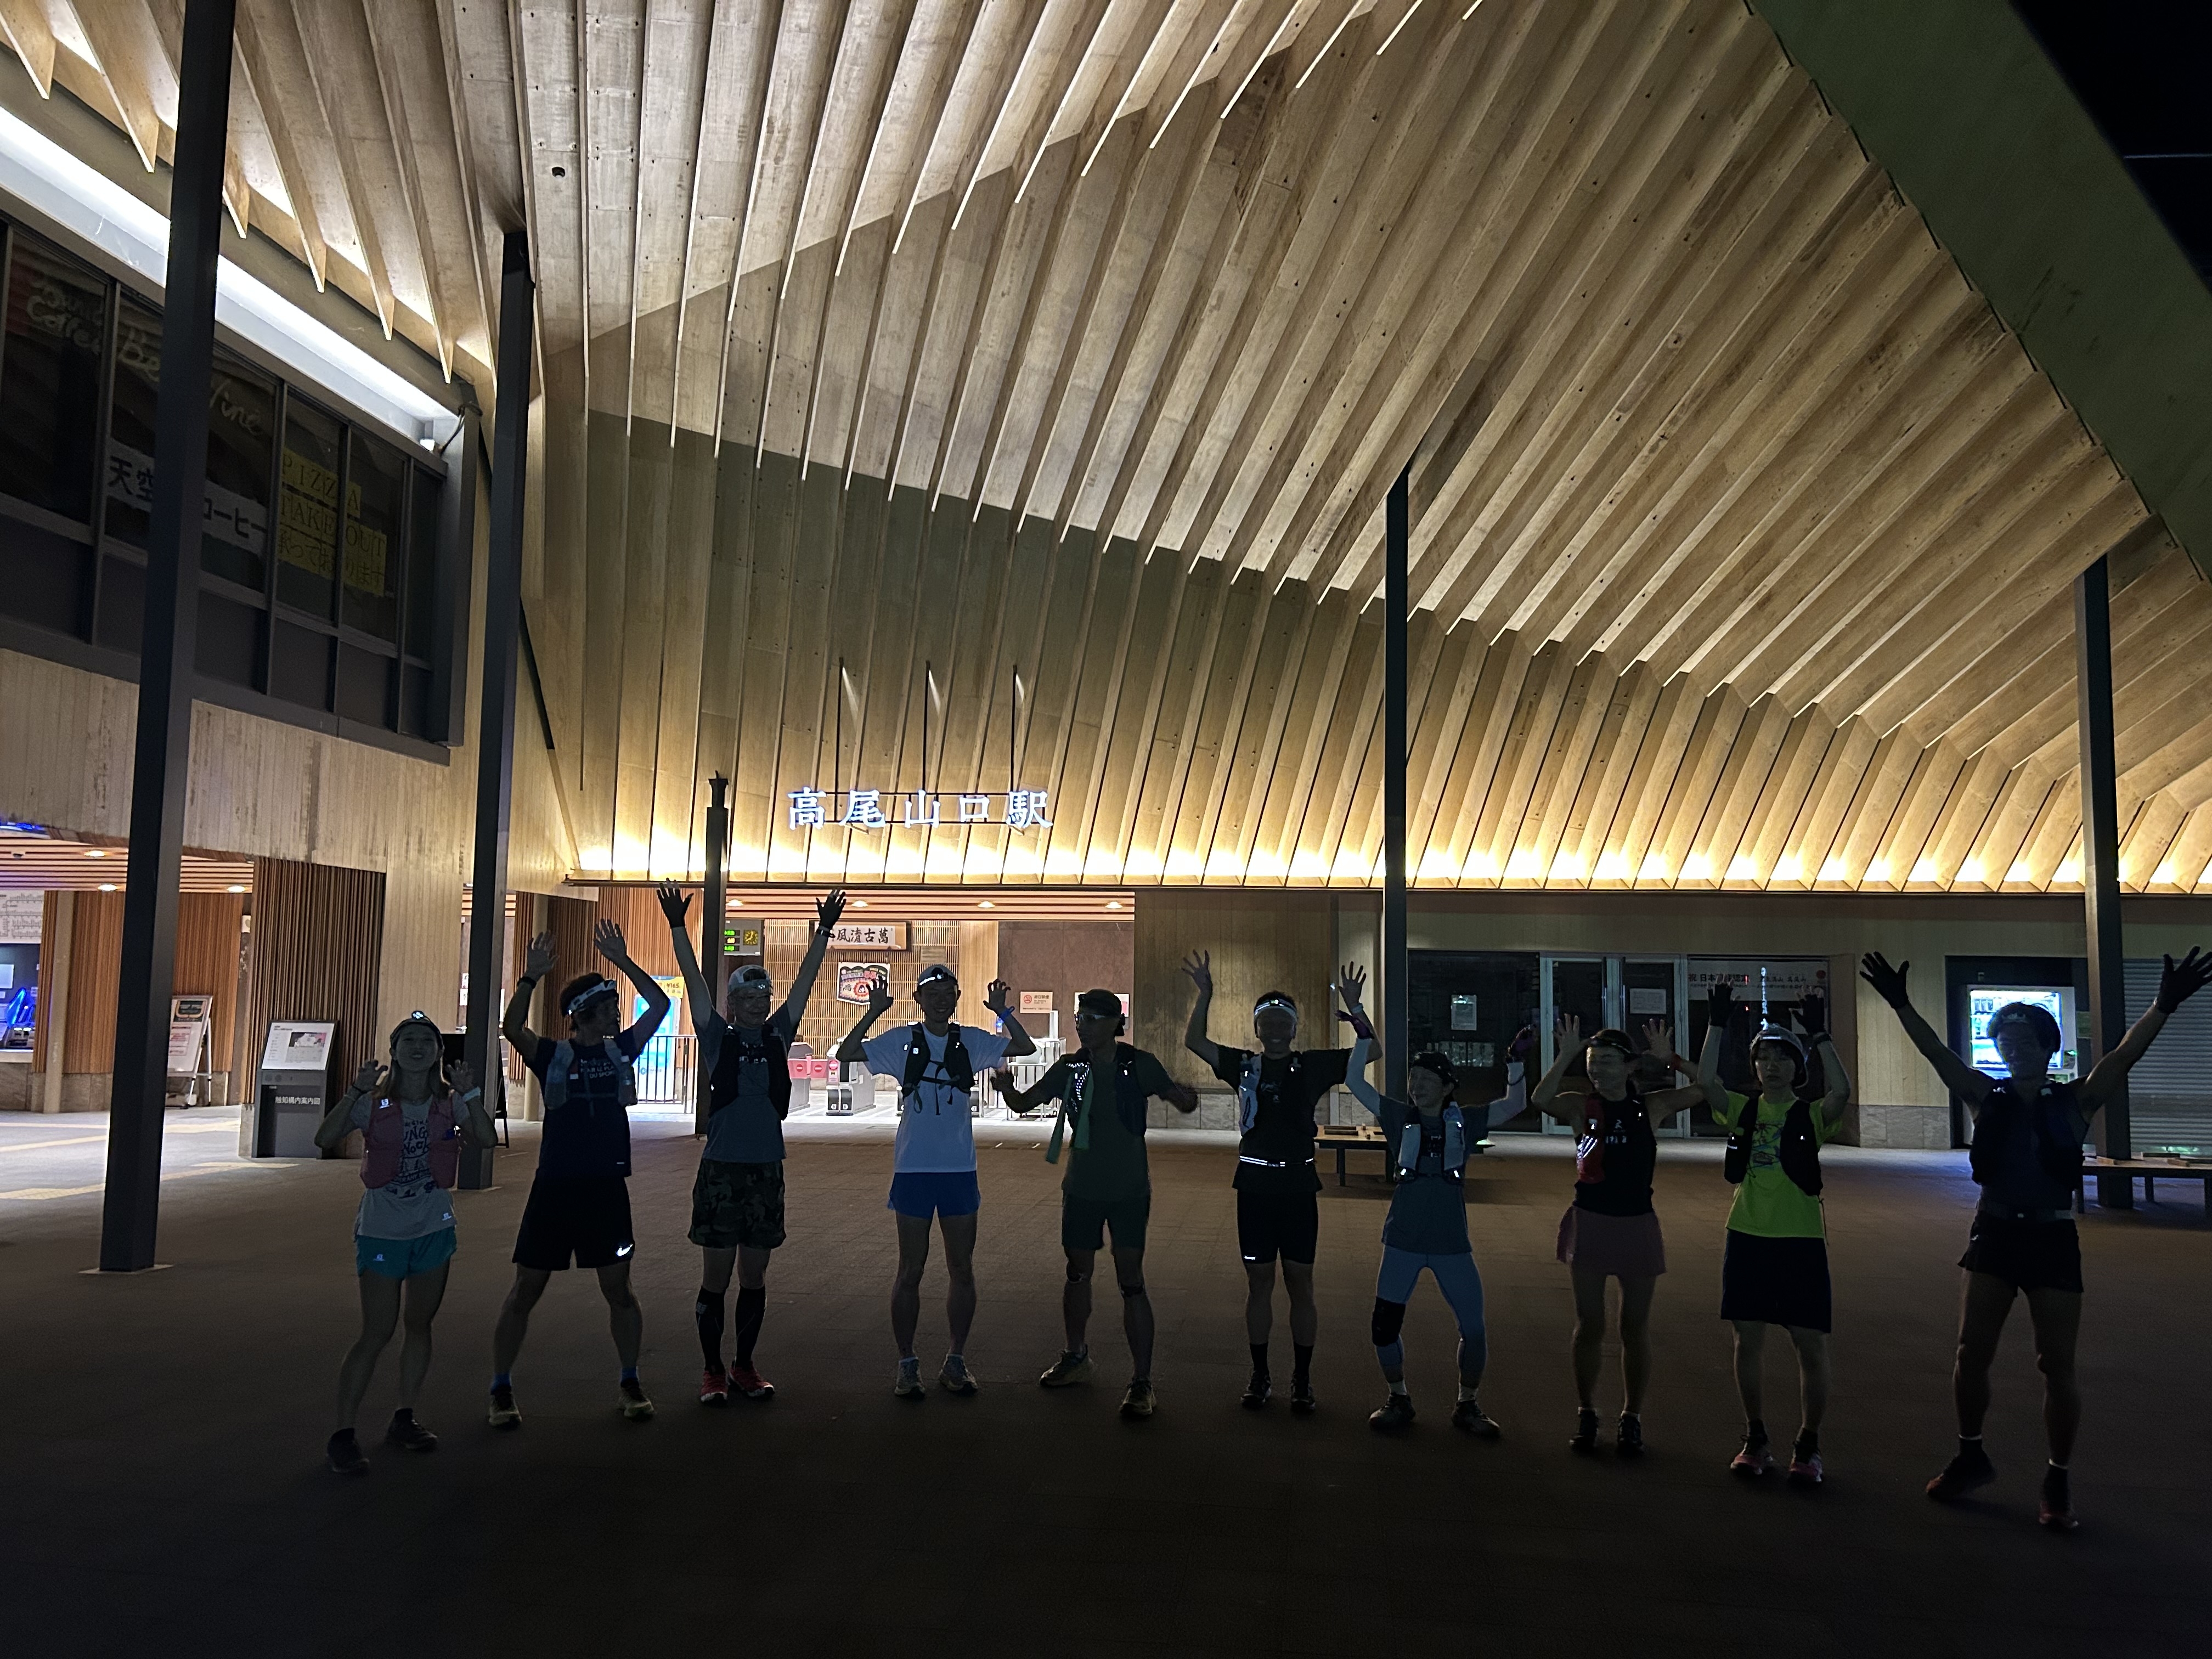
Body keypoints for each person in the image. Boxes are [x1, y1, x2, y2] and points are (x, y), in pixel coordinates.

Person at [1861, 947, 2211, 1530]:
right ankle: (1971, 1454)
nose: (2015, 1049)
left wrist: (2162, 1006)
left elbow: (2124, 1056)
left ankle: (2058, 1476)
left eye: (2026, 1041)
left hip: (2051, 1238)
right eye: (2006, 1042)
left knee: (2057, 1364)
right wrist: (1901, 1006)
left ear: (2049, 1047)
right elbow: (1936, 1053)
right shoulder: (1984, 1096)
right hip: (1995, 1232)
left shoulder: (2077, 1099)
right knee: (1971, 1352)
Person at [658, 881, 843, 1407]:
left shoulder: (778, 1034)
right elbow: (695, 983)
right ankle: (712, 1370)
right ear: (732, 1003)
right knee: (716, 1276)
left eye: (763, 998)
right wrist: (678, 927)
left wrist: (823, 931)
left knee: (755, 1274)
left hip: (766, 1170)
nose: (757, 1006)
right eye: (747, 998)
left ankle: (744, 1364)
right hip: (721, 1169)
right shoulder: (718, 1036)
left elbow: (804, 984)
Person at [490, 920, 671, 1427]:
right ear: (584, 1013)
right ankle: (500, 1387)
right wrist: (530, 977)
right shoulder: (554, 1054)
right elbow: (512, 1028)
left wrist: (624, 961)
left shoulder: (620, 1050)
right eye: (610, 1007)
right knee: (526, 1290)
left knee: (620, 1290)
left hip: (606, 1188)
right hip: (555, 1187)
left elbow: (660, 1006)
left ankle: (630, 1380)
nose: (618, 1013)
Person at [1531, 994, 1724, 1455]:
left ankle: (1632, 1416)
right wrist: (1566, 1055)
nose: (1599, 1070)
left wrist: (1673, 1060)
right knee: (1589, 1324)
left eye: (1608, 1061)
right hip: (1591, 1220)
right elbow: (1539, 1099)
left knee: (1634, 1327)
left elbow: (1708, 1088)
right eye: (1593, 1062)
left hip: (1636, 1223)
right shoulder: (1580, 1106)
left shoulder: (1650, 1107)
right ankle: (1587, 1411)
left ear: (1630, 1066)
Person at [1340, 979, 1533, 1436]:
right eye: (1414, 1079)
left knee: (1475, 1328)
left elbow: (1515, 1105)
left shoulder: (1465, 1120)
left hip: (1450, 1242)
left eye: (1428, 1080)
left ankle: (1468, 1403)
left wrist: (1516, 1061)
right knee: (1384, 1326)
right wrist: (1361, 1027)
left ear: (1448, 1087)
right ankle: (1398, 1397)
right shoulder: (1396, 1116)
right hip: (1403, 1238)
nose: (1417, 1086)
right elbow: (1354, 1082)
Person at [993, 989, 1198, 1418]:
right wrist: (1008, 1088)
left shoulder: (1138, 1064)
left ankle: (1142, 1380)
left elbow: (1181, 1100)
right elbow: (1024, 1104)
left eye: (1091, 1019)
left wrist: (1184, 1095)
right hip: (1082, 1187)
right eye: (1079, 1018)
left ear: (1114, 1024)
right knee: (1077, 1272)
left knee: (1132, 1280)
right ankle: (1076, 1355)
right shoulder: (1072, 1068)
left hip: (1128, 1191)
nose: (1081, 1026)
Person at [1182, 950, 1371, 1414]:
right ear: (1256, 1028)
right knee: (1259, 1283)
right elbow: (1195, 1042)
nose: (1274, 1027)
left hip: (1299, 1187)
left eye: (1282, 1020)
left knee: (1301, 1283)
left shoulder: (1312, 1065)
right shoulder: (1245, 1066)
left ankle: (1302, 1378)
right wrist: (1205, 995)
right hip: (1254, 1188)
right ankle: (1260, 1373)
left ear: (1294, 1028)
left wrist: (1356, 1009)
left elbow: (1373, 1052)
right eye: (1265, 1020)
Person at [836, 963, 1035, 1397]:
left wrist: (1002, 1012)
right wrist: (874, 1011)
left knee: (962, 1268)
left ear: (958, 998)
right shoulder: (902, 1041)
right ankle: (907, 1362)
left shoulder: (972, 1041)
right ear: (919, 1000)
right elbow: (846, 1054)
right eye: (933, 993)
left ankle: (956, 1359)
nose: (941, 1001)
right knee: (911, 1269)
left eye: (949, 993)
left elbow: (1025, 1047)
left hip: (959, 1169)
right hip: (914, 1169)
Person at [315, 1013, 498, 1474]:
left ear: (439, 1053)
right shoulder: (374, 1102)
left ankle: (405, 1416)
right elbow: (324, 1136)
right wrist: (354, 1091)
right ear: (394, 1051)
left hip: (434, 1227)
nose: (418, 1047)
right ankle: (343, 1433)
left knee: (419, 1323)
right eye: (409, 1040)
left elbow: (486, 1138)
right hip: (382, 1230)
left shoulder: (449, 1103)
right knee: (377, 1331)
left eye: (427, 1041)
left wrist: (471, 1093)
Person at [1711, 992, 1851, 1486]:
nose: (1771, 1066)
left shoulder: (1810, 1115)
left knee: (1809, 1344)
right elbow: (1706, 1083)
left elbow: (1842, 1091)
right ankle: (1755, 1438)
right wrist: (1715, 1025)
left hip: (1800, 1240)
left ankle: (1808, 1444)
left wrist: (1821, 1036)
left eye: (1782, 1058)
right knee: (1747, 1340)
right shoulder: (1742, 1110)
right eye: (1764, 1058)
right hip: (1746, 1234)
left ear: (1798, 1068)